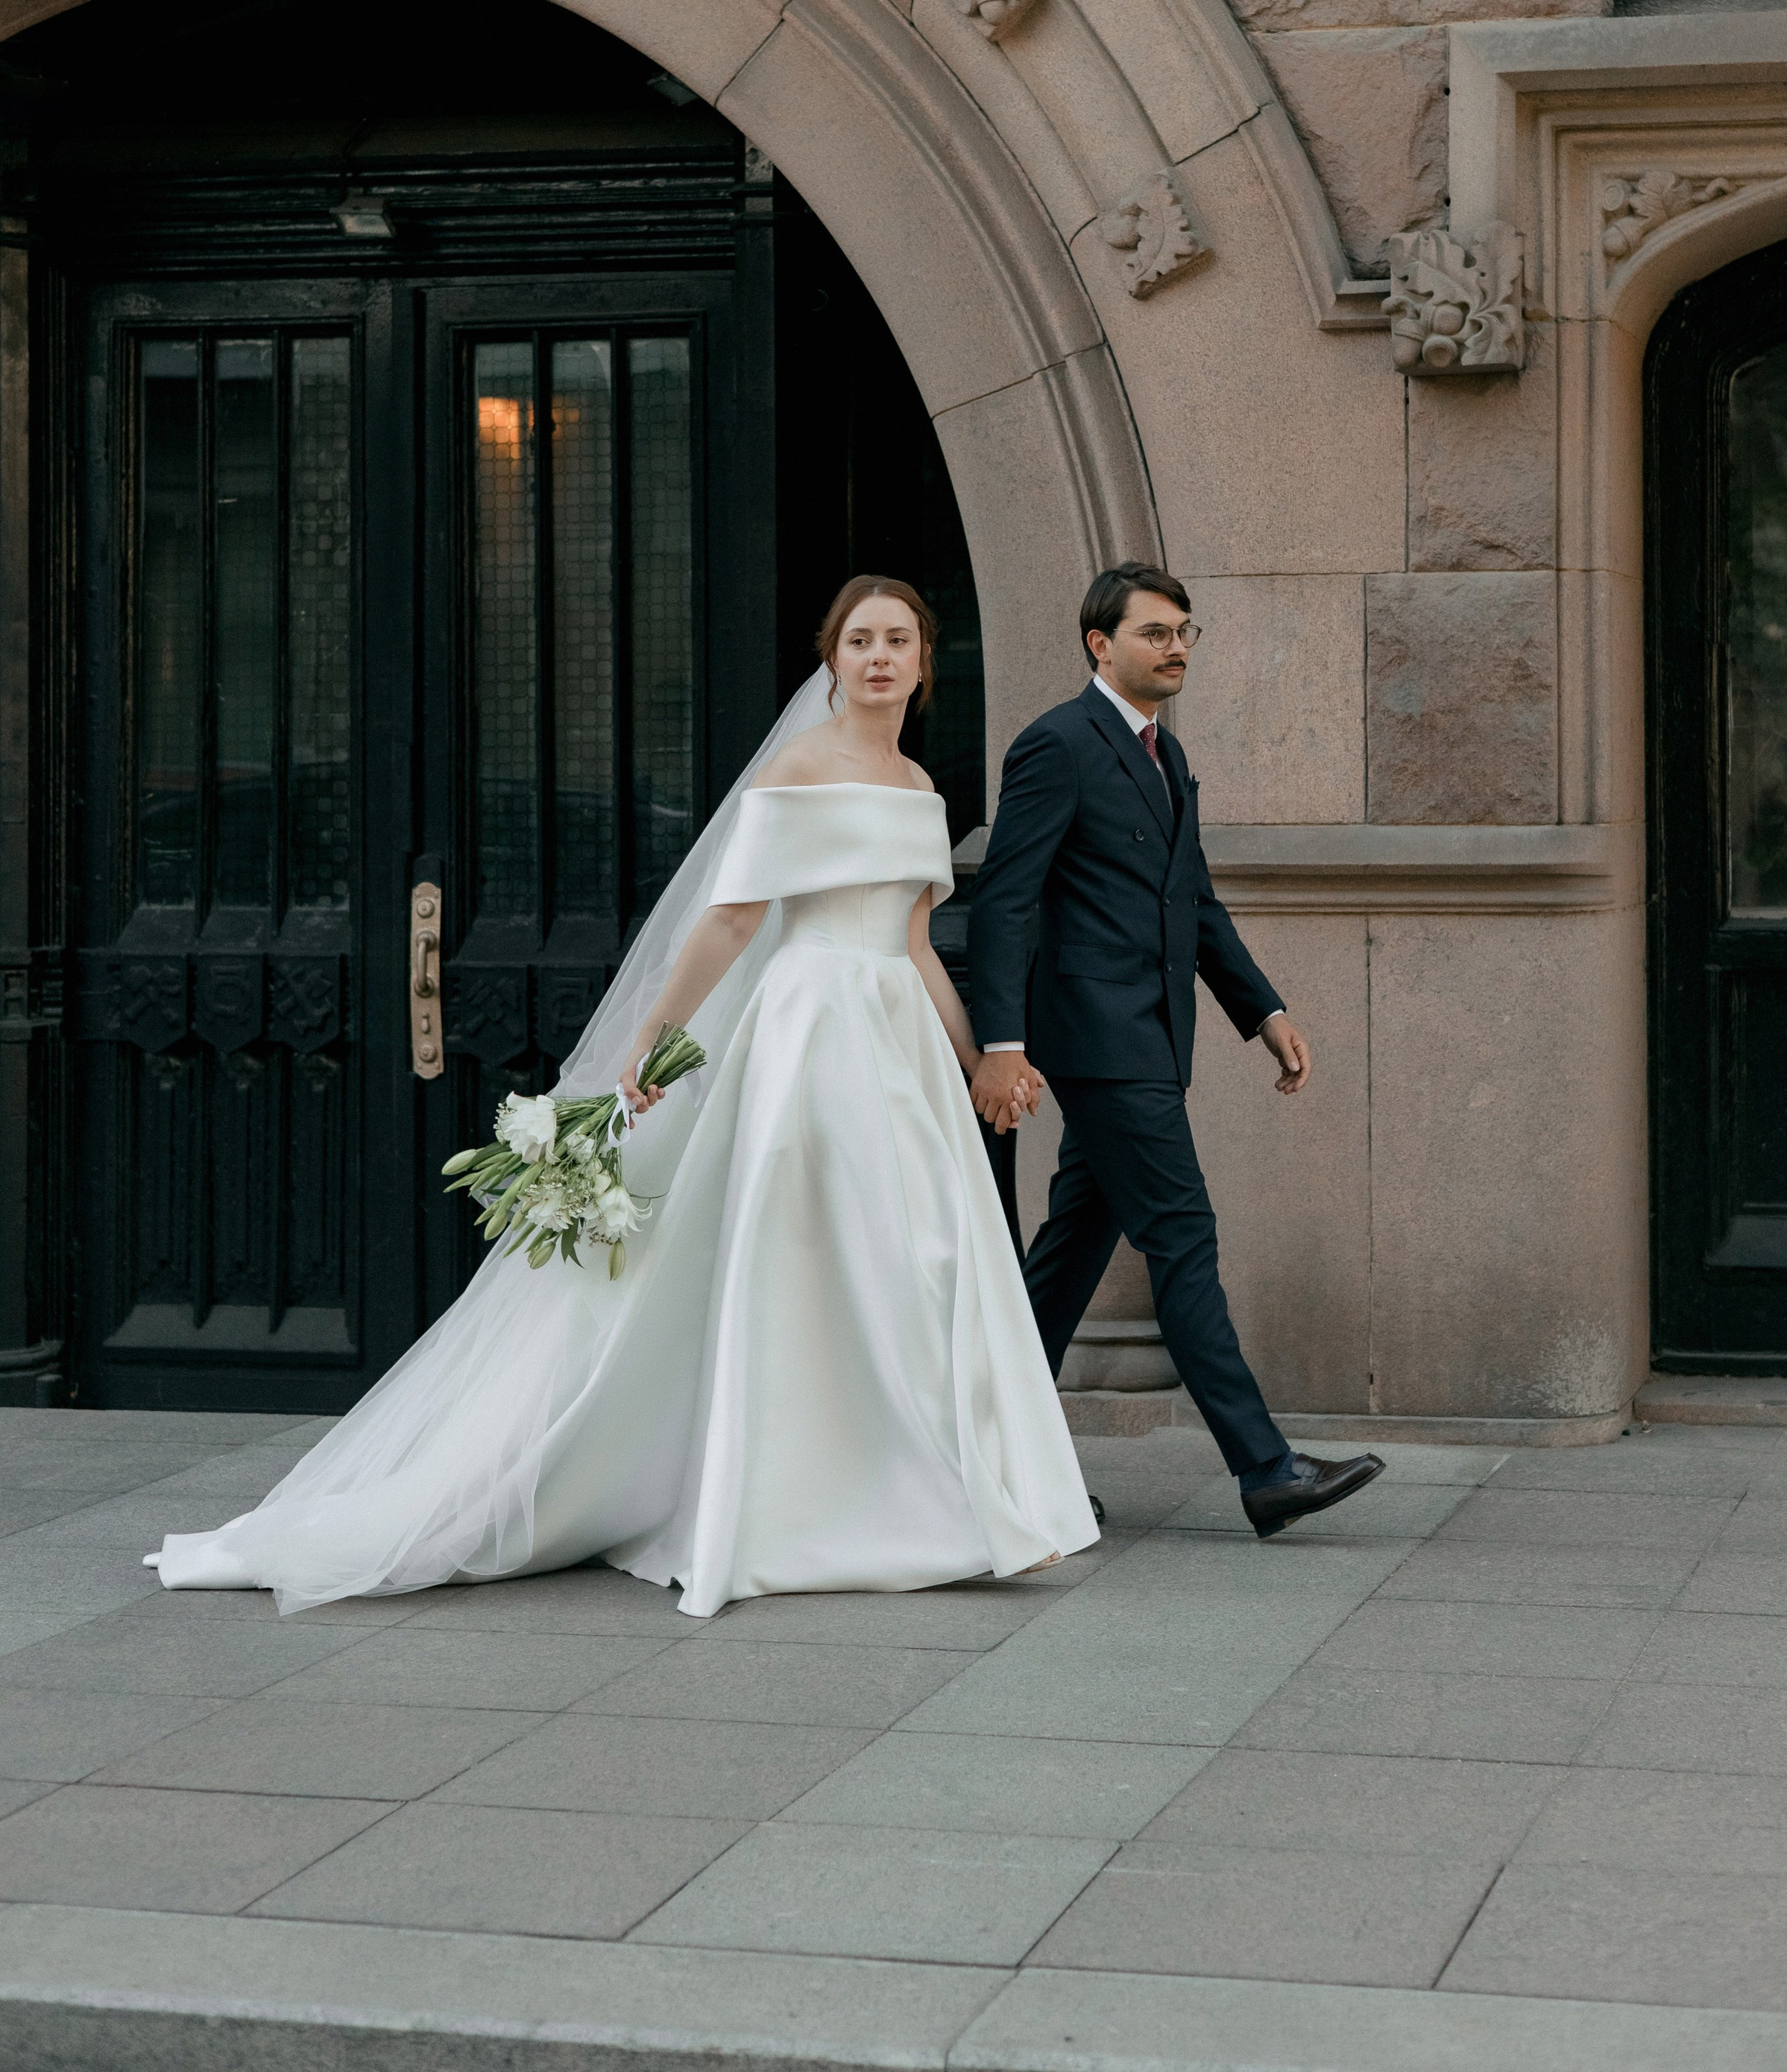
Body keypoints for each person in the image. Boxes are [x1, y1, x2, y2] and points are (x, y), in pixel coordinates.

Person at [145, 576, 1097, 1617]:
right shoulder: (797, 767)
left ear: (923, 662)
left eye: (898, 641)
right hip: (809, 1032)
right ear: (833, 659)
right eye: (860, 639)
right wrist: (660, 1030)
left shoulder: (920, 785)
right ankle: (834, 1502)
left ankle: (934, 1491)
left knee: (919, 1254)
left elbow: (914, 945)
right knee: (841, 1248)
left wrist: (976, 1064)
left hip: (894, 1038)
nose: (880, 656)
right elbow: (734, 922)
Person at [966, 562, 1384, 1539]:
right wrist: (1000, 1041)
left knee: (1068, 1256)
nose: (1178, 647)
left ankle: (981, 1452)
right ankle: (1265, 1467)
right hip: (1098, 1041)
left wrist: (1261, 1010)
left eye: (1187, 631)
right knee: (1183, 1239)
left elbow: (1191, 899)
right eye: (1157, 632)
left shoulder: (1166, 754)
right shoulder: (1057, 745)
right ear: (1097, 644)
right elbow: (1007, 898)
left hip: (1156, 1036)